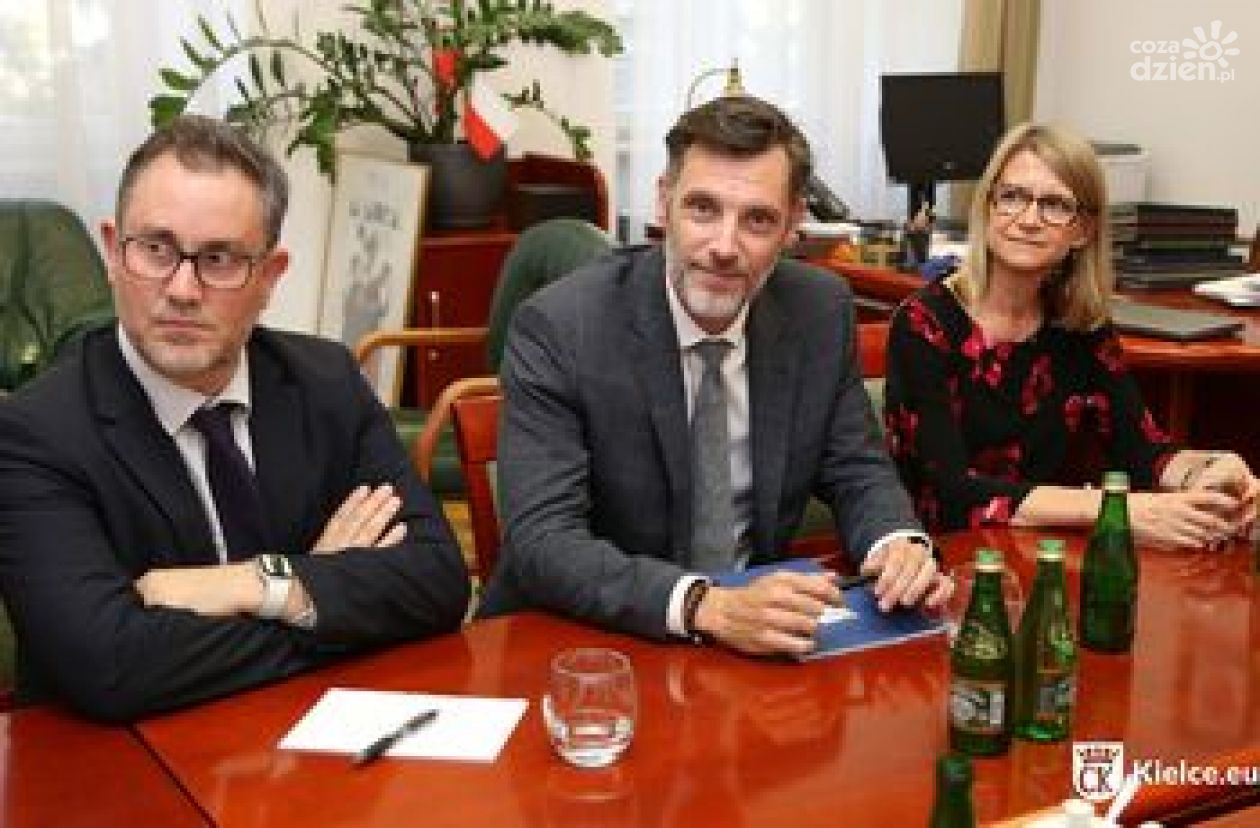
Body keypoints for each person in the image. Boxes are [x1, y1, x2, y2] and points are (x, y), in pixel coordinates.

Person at [0, 115, 470, 721]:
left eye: (219, 259)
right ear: (113, 252)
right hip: (125, 762)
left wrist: (255, 583)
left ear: (269, 277)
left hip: (312, 741)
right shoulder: (36, 434)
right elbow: (111, 666)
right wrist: (317, 592)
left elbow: (438, 581)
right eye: (156, 250)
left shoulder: (326, 381)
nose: (182, 289)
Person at [479, 96, 950, 657]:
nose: (725, 247)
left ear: (793, 225)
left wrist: (896, 543)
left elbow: (856, 468)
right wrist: (708, 607)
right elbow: (544, 541)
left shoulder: (818, 310)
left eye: (757, 220)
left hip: (754, 647)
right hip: (587, 642)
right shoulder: (563, 326)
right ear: (663, 202)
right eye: (703, 209)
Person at [883, 122, 1259, 549]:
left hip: (1043, 553)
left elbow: (1142, 454)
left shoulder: (1079, 328)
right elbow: (948, 495)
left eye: (1055, 205)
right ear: (987, 208)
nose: (1028, 219)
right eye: (1012, 196)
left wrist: (1209, 470)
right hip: (939, 559)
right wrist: (1115, 509)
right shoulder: (924, 323)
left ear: (1083, 230)